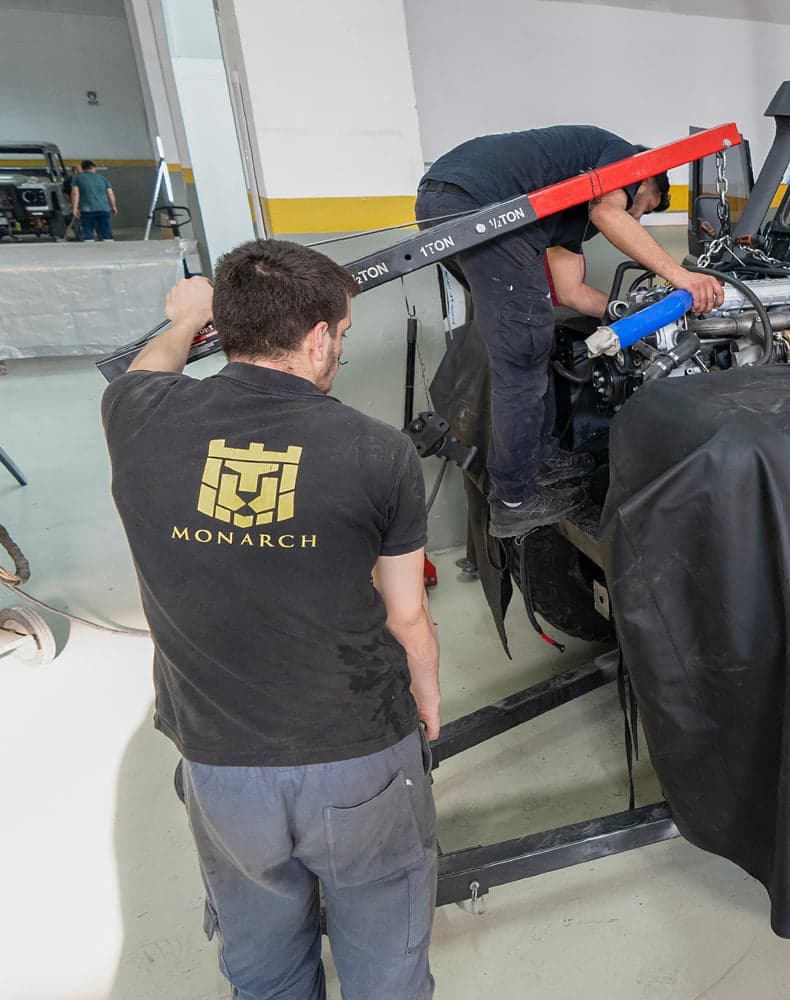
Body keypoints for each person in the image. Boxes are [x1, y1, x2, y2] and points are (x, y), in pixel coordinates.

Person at [100, 239, 442, 997]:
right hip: (359, 756)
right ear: (317, 336)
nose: (340, 352)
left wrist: (185, 319)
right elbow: (407, 615)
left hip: (223, 765)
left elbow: (144, 369)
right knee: (387, 959)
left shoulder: (136, 416)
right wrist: (427, 699)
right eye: (343, 337)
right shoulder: (378, 450)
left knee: (263, 970)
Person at [415, 125, 724, 537]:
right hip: (479, 202)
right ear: (646, 178)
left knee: (528, 337)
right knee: (522, 348)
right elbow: (611, 212)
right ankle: (514, 500)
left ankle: (540, 457)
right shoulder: (619, 158)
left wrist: (634, 314)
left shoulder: (571, 210)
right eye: (646, 207)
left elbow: (571, 292)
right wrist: (679, 276)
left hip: (448, 200)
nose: (639, 216)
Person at [71, 160, 116, 241]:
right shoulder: (103, 178)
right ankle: (109, 245)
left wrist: (74, 208)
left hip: (86, 209)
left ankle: (89, 248)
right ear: (93, 167)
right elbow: (110, 193)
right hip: (103, 208)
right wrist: (113, 206)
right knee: (106, 229)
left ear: (83, 168)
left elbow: (75, 193)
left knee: (87, 230)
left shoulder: (77, 178)